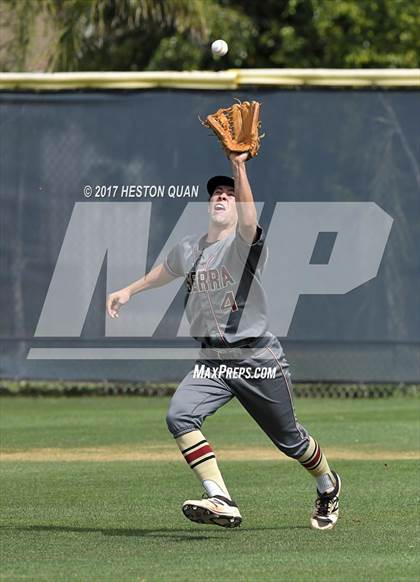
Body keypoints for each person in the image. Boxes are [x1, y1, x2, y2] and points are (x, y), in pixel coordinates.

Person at [107, 152, 341, 530]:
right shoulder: (189, 248)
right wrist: (129, 291)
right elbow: (163, 272)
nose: (221, 196)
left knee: (291, 441)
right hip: (213, 361)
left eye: (229, 194)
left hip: (257, 359)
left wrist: (239, 167)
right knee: (179, 415)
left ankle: (328, 486)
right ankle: (220, 497)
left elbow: (250, 221)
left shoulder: (242, 244)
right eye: (216, 192)